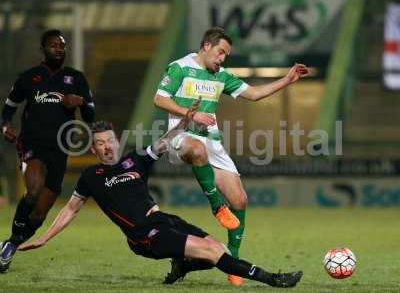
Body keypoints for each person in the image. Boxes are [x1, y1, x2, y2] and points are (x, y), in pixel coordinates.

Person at [17, 111, 303, 288]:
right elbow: (70, 209)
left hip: (163, 220)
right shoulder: (91, 176)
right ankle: (273, 279)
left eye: (109, 140)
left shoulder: (135, 160)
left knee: (217, 250)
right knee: (214, 253)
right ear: (93, 148)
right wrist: (45, 237)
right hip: (144, 235)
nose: (106, 146)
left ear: (117, 140)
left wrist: (184, 122)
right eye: (99, 143)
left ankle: (182, 265)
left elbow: (166, 140)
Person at [154, 26, 308, 285]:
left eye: (226, 55)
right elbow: (159, 99)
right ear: (206, 46)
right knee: (197, 149)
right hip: (180, 137)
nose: (223, 58)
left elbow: (255, 94)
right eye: (220, 52)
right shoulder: (179, 67)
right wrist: (189, 114)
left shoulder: (222, 76)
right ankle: (216, 206)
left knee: (240, 199)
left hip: (212, 142)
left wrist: (286, 79)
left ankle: (233, 263)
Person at [0, 29, 95, 272]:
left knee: (40, 214)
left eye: (62, 45)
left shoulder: (76, 78)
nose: (59, 48)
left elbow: (90, 116)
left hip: (60, 149)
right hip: (32, 143)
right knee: (32, 191)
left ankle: (10, 244)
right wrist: (5, 126)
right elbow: (9, 107)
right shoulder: (29, 77)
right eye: (53, 45)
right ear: (43, 49)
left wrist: (80, 102)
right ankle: (10, 247)